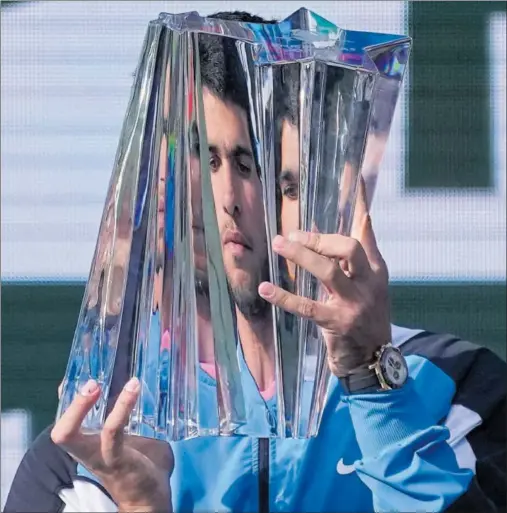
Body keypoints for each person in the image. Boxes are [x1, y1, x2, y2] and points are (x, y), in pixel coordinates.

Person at [5, 10, 506, 513]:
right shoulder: (97, 445)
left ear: (316, 184)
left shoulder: (457, 387)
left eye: (250, 164)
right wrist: (140, 507)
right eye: (198, 157)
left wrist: (375, 386)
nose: (225, 197)